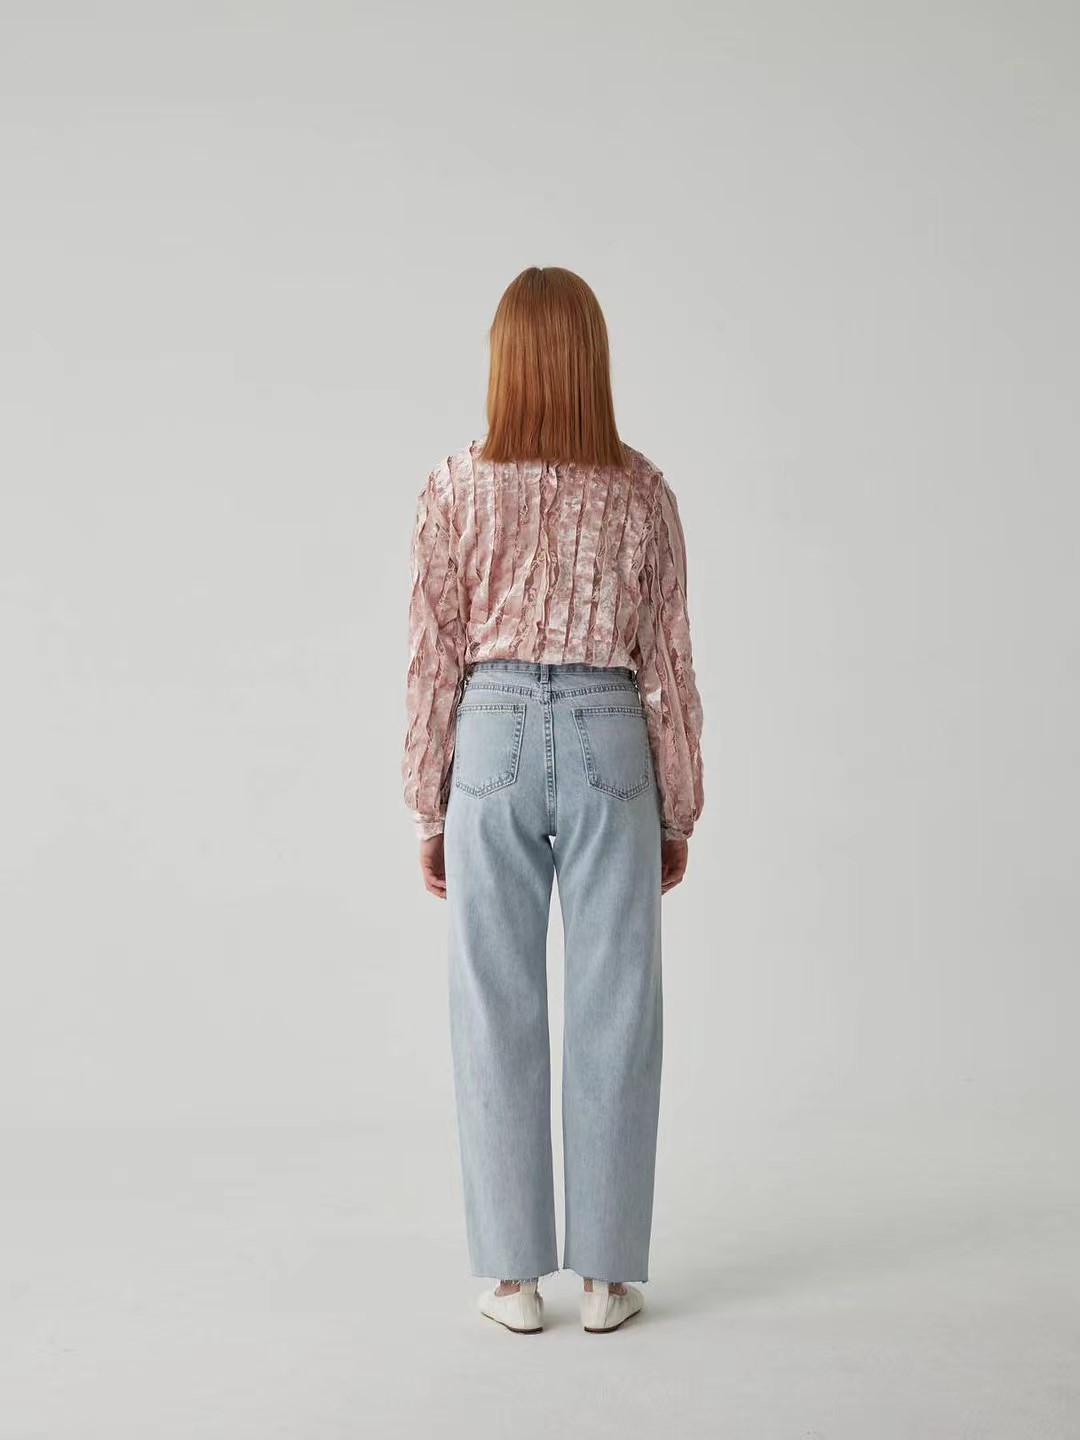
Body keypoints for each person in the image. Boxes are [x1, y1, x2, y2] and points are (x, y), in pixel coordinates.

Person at [402, 265, 704, 1334]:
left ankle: (512, 1279)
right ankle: (609, 1278)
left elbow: (432, 652)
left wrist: (429, 802)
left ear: (505, 362)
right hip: (609, 730)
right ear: (592, 362)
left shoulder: (453, 485)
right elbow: (668, 658)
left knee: (494, 1005)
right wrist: (677, 804)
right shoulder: (643, 490)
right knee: (617, 1007)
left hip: (488, 731)